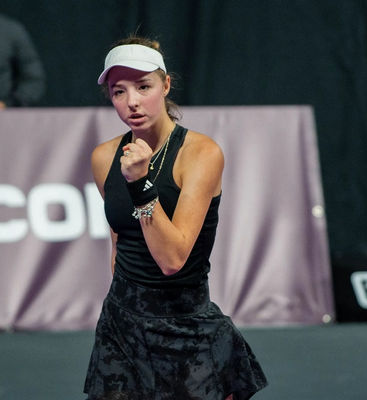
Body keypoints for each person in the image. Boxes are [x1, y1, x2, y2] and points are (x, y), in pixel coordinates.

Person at [84, 36, 267, 400]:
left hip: (187, 328)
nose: (132, 101)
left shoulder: (202, 153)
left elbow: (172, 259)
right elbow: (120, 243)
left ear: (165, 85)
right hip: (122, 329)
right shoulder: (104, 158)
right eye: (119, 91)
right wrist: (124, 312)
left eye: (143, 86)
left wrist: (141, 184)